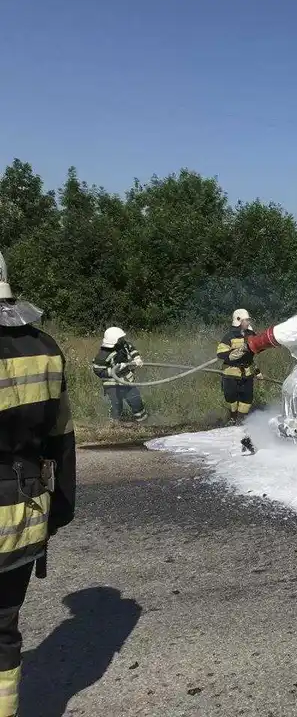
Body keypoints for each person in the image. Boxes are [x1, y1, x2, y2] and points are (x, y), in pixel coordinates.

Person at [0, 250, 77, 717]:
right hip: (24, 515)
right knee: (3, 632)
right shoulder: (45, 347)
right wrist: (59, 511)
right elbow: (61, 439)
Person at [91, 327, 147, 423]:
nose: (123, 340)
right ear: (114, 341)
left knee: (136, 401)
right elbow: (98, 370)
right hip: (112, 385)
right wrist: (114, 370)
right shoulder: (103, 354)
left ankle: (144, 423)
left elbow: (131, 348)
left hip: (127, 381)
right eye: (120, 339)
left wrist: (137, 358)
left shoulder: (123, 345)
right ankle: (114, 426)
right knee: (116, 405)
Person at [217, 308, 262, 424]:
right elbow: (221, 354)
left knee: (247, 399)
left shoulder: (252, 335)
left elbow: (253, 356)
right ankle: (232, 419)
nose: (248, 323)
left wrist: (257, 371)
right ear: (238, 320)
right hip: (231, 374)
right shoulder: (229, 336)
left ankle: (241, 421)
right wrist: (236, 353)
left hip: (247, 374)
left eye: (248, 320)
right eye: (246, 320)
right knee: (231, 397)